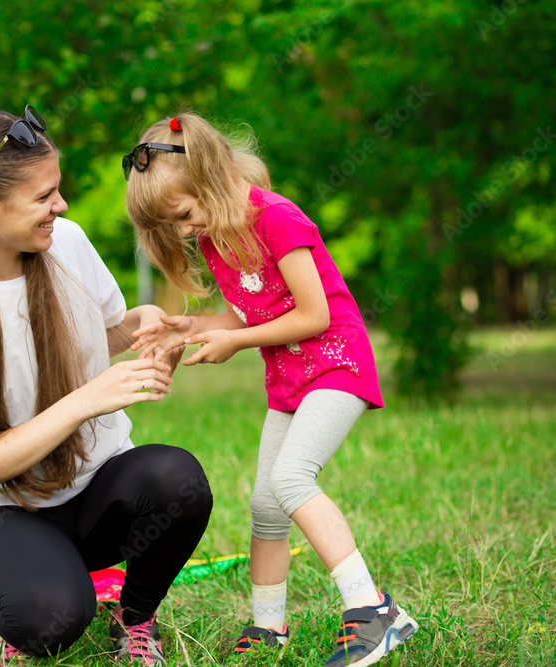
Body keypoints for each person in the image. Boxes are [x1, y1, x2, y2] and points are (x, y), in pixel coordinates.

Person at [0, 106, 213, 667]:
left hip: (90, 495)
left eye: (57, 191)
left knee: (178, 481)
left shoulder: (65, 242)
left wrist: (148, 328)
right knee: (53, 616)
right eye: (43, 197)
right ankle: (11, 600)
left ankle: (135, 622)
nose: (59, 206)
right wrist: (86, 399)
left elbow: (94, 335)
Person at [123, 113, 418, 667]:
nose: (186, 232)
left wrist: (236, 344)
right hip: (290, 379)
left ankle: (373, 609)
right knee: (265, 505)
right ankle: (268, 626)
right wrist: (193, 327)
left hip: (336, 365)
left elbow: (313, 314)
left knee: (290, 478)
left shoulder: (278, 218)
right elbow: (249, 314)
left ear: (209, 175)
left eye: (184, 215)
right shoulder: (218, 236)